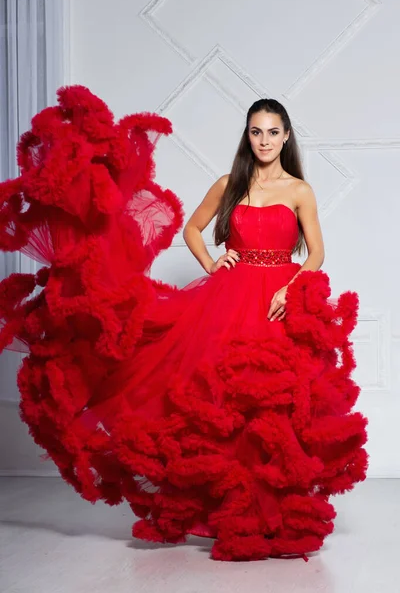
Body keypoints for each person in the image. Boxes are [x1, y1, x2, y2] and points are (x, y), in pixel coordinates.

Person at [0, 86, 368, 563]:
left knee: (275, 403)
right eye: (256, 132)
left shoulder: (300, 190)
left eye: (273, 133)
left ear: (286, 136)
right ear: (248, 136)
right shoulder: (229, 183)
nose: (264, 141)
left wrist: (290, 287)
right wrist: (214, 262)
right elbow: (192, 228)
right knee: (219, 396)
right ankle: (223, 508)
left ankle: (269, 508)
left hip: (279, 299)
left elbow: (316, 252)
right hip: (231, 297)